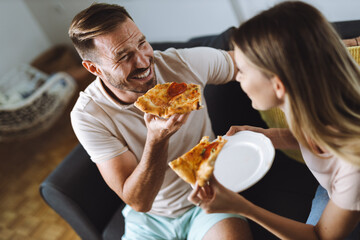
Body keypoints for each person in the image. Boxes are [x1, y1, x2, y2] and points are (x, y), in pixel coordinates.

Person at [68, 3, 252, 240]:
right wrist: (157, 140)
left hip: (211, 193)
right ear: (94, 68)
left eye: (142, 43)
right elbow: (139, 202)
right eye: (124, 56)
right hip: (150, 219)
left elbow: (252, 61)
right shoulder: (88, 115)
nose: (144, 62)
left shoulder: (182, 65)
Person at [188, 1, 360, 239]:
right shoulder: (309, 99)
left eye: (243, 71)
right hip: (336, 189)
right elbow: (311, 136)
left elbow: (319, 236)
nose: (238, 78)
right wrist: (265, 136)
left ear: (278, 85)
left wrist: (239, 206)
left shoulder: (354, 164)